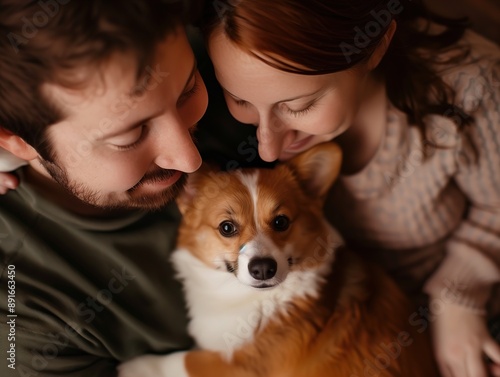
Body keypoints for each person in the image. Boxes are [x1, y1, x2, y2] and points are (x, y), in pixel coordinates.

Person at [199, 1, 500, 377]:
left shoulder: (471, 90)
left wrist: (457, 300)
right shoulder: (209, 112)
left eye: (300, 105)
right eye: (241, 100)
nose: (267, 147)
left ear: (374, 47)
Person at [0, 1, 264, 376]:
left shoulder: (220, 48)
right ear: (18, 141)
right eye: (130, 136)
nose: (189, 160)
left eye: (188, 91)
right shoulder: (23, 318)